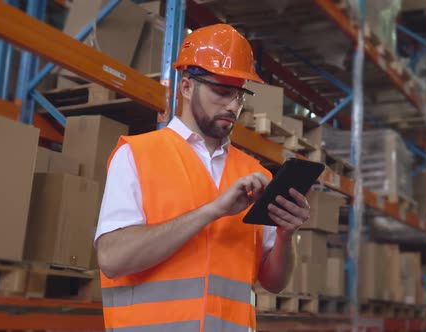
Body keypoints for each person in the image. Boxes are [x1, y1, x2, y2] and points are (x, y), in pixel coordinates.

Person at [94, 24, 311, 332]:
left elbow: (274, 283)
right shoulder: (136, 155)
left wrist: (288, 234)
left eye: (240, 95)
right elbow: (112, 258)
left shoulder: (255, 174)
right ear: (186, 87)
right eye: (222, 92)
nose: (233, 105)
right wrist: (213, 210)